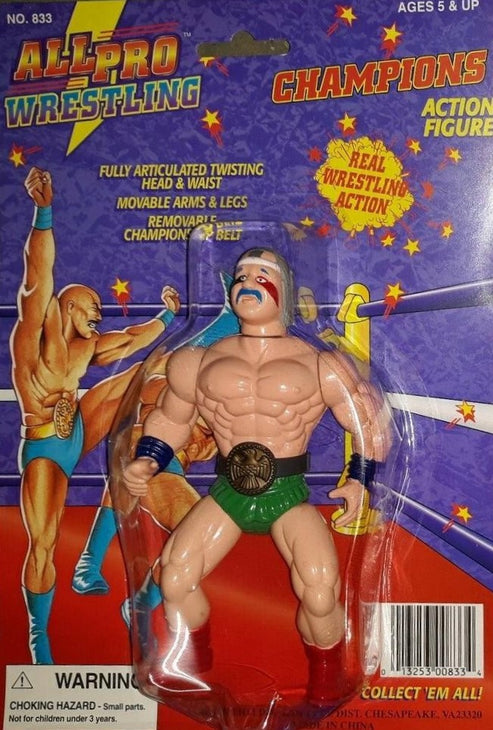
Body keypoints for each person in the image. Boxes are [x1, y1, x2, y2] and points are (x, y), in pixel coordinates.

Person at [122, 247, 392, 704]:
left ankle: (327, 677)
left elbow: (367, 422)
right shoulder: (196, 362)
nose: (247, 281)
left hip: (287, 492)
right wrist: (148, 458)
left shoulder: (320, 363)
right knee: (174, 577)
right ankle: (192, 670)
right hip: (228, 491)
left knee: (320, 590)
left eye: (261, 273)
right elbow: (171, 418)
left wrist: (359, 479)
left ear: (285, 288)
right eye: (241, 274)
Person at [10, 167, 180, 664]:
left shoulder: (88, 348)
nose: (99, 315)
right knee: (43, 542)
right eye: (93, 307)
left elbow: (130, 342)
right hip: (45, 447)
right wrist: (44, 213)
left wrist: (168, 316)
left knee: (147, 372)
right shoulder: (34, 337)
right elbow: (37, 277)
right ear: (68, 306)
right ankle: (39, 633)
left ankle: (97, 553)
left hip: (77, 427)